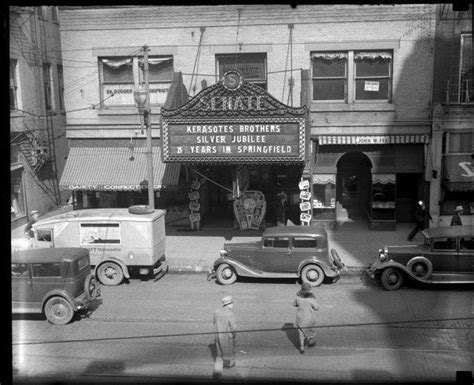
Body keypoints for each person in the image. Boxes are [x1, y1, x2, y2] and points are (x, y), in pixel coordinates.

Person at [293, 282, 319, 354]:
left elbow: (294, 304)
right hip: (309, 318)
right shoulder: (311, 300)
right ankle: (310, 339)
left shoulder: (297, 298)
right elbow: (316, 308)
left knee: (301, 333)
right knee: (309, 330)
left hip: (300, 318)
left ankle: (302, 347)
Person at [213, 295, 237, 373]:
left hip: (218, 336)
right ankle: (228, 366)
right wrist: (233, 335)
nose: (233, 304)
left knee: (219, 353)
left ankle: (217, 371)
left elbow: (214, 322)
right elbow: (234, 328)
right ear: (228, 304)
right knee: (229, 351)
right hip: (227, 337)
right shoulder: (230, 314)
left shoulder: (217, 311)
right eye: (232, 303)